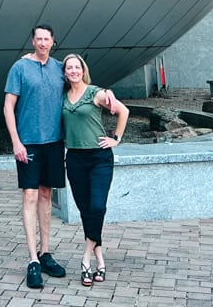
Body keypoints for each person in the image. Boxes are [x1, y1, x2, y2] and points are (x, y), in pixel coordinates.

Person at [3, 24, 67, 290]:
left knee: (46, 195)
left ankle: (46, 252)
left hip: (53, 142)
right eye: (38, 39)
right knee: (29, 195)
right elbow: (8, 106)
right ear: (33, 41)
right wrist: (16, 141)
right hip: (28, 142)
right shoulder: (19, 68)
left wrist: (105, 95)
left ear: (53, 42)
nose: (42, 43)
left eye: (46, 39)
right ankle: (33, 261)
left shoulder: (60, 67)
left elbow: (81, 86)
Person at [61, 52, 129, 286]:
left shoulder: (95, 93)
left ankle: (86, 258)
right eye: (69, 68)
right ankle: (100, 258)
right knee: (85, 210)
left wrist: (116, 138)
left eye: (76, 67)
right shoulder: (62, 96)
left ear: (83, 70)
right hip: (75, 159)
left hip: (99, 158)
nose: (73, 71)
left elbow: (124, 111)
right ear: (65, 72)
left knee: (97, 206)